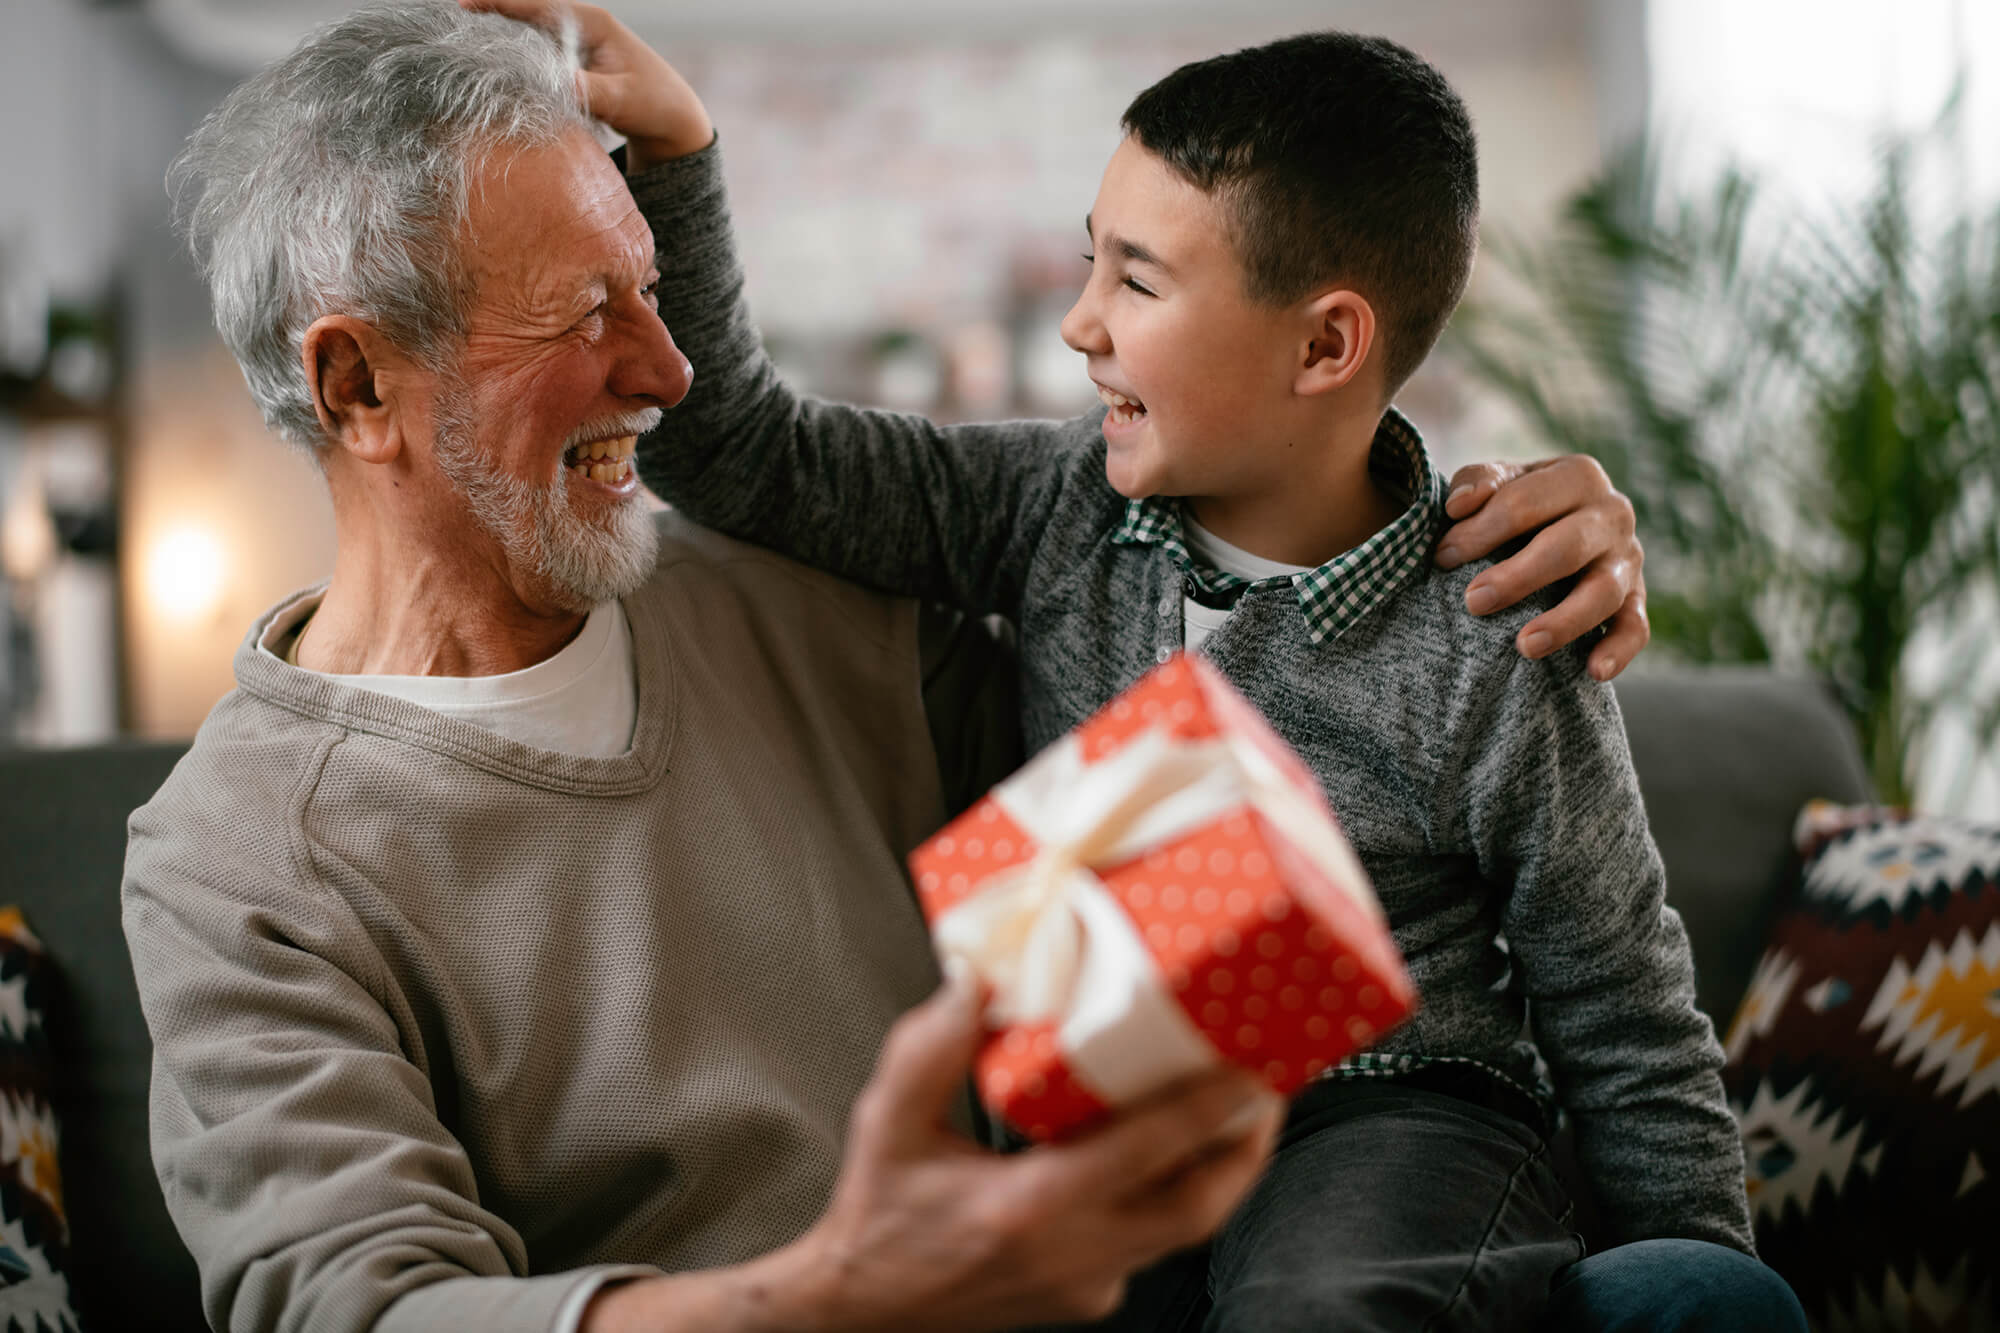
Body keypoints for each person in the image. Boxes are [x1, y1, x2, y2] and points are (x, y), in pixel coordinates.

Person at [125, 3, 1668, 1330]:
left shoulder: (820, 610)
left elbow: (1247, 747)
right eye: (590, 313)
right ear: (355, 382)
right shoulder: (236, 859)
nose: (665, 374)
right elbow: (365, 1309)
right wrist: (843, 1291)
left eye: (652, 292)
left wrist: (1450, 532)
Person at [553, 8, 1811, 1332]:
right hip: (1122, 1110)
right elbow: (747, 451)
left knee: (1326, 1299)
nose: (1083, 325)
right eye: (1095, 266)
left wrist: (1698, 1277)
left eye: (1138, 284)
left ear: (1325, 346)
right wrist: (681, 153)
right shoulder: (1052, 505)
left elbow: (1622, 1007)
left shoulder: (1501, 626)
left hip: (1392, 1106)